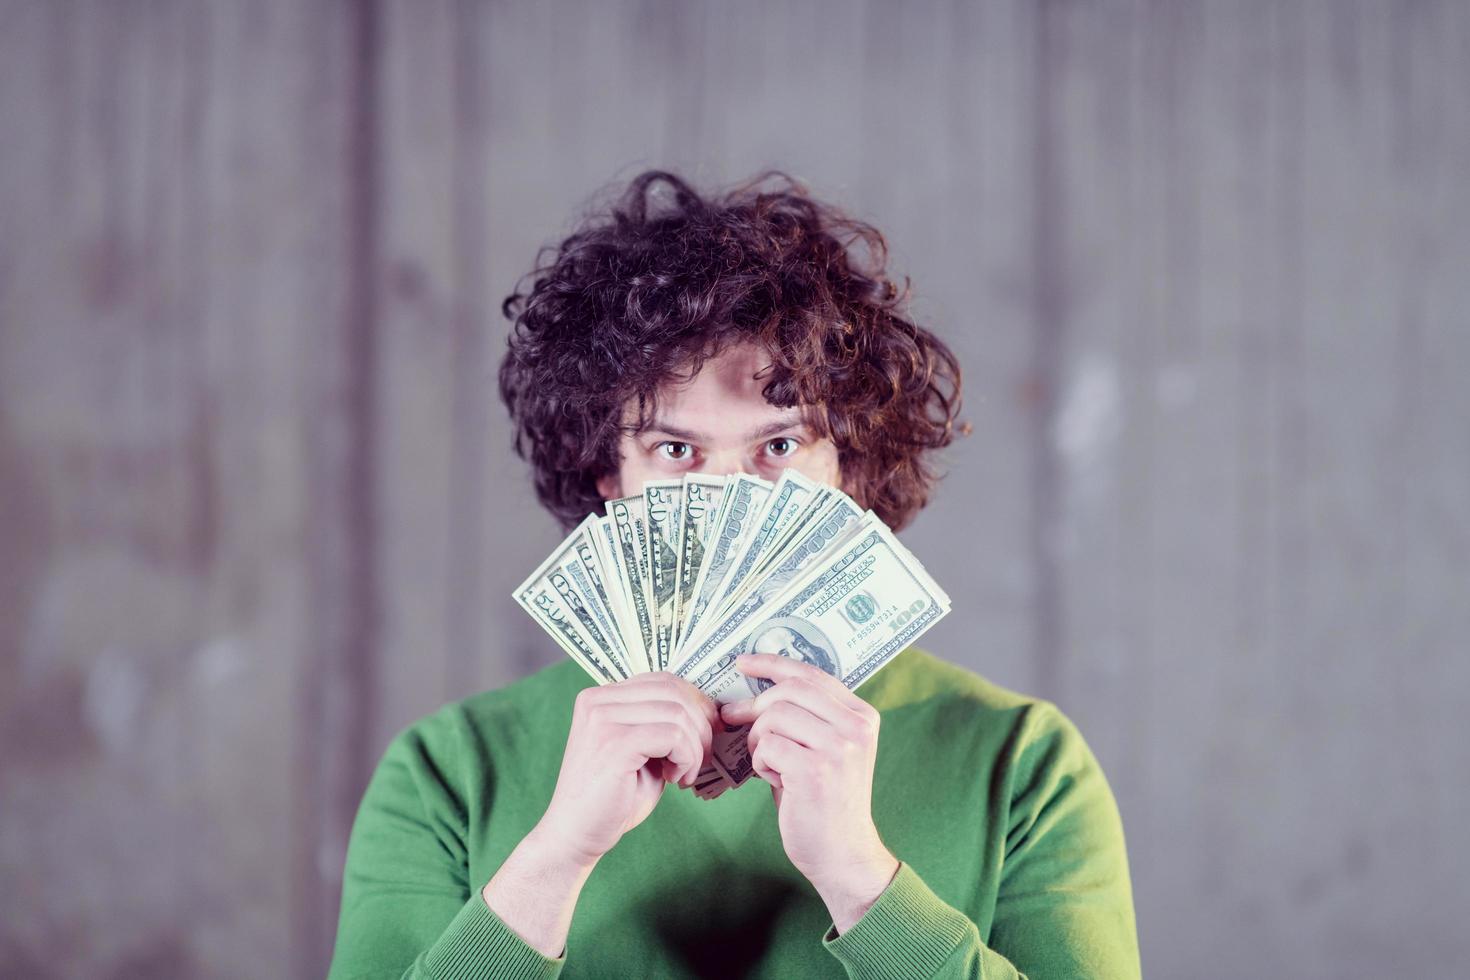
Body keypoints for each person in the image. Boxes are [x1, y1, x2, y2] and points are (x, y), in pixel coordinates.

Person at [326, 170, 1142, 979]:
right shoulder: (448, 772)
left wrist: (863, 881)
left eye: (778, 447)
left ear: (848, 468)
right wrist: (556, 855)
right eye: (676, 451)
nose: (726, 499)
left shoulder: (1023, 764)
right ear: (608, 475)